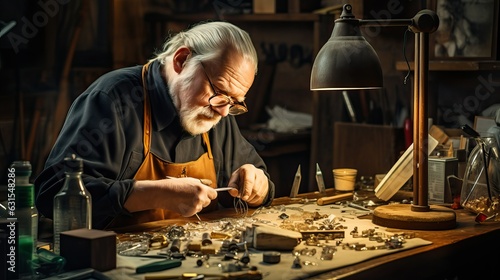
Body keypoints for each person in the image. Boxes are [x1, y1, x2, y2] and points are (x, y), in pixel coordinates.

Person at [34, 21, 275, 229]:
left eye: (234, 102)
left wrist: (258, 187)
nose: (223, 112)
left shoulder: (217, 110)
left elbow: (255, 178)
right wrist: (152, 194)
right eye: (219, 91)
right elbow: (51, 193)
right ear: (182, 60)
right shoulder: (114, 100)